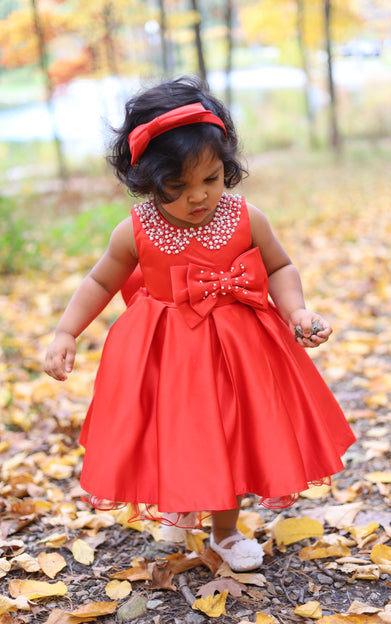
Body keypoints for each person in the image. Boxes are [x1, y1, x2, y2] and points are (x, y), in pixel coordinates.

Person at [43, 75, 355, 572]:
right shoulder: (135, 230)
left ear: (226, 168)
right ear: (146, 180)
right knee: (178, 432)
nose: (198, 197)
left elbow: (279, 266)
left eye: (210, 179)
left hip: (238, 352)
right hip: (168, 354)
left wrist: (296, 310)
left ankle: (226, 531)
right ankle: (181, 502)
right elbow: (100, 283)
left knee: (228, 435)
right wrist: (66, 332)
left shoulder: (245, 217)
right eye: (178, 186)